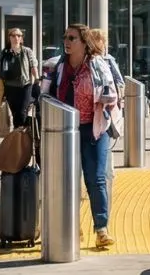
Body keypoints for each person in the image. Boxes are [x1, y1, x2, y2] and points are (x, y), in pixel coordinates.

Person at [42, 23, 119, 249]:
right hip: (64, 131)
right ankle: (71, 225)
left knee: (95, 178)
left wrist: (101, 100)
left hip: (93, 129)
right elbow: (45, 95)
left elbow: (112, 92)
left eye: (72, 38)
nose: (67, 41)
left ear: (84, 42)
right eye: (65, 37)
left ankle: (101, 229)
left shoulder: (98, 65)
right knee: (66, 180)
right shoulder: (56, 66)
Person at [0, 27, 40, 128]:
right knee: (15, 114)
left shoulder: (27, 51)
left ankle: (23, 135)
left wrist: (37, 79)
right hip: (9, 87)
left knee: (22, 113)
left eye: (19, 35)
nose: (16, 38)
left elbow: (33, 66)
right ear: (9, 38)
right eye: (13, 35)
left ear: (21, 38)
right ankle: (19, 137)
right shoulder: (4, 53)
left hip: (25, 86)